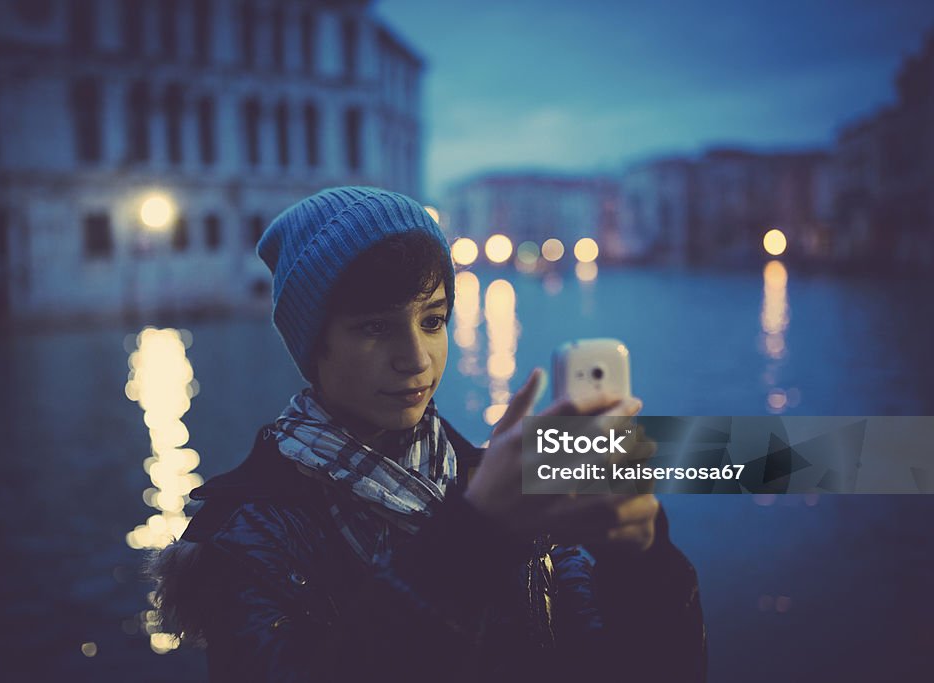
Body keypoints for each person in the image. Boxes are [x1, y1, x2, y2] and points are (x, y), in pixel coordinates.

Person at [147, 186, 707, 682]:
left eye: (433, 320)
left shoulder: (498, 482)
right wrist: (473, 539)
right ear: (312, 345)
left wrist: (641, 562)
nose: (416, 359)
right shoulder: (247, 534)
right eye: (374, 327)